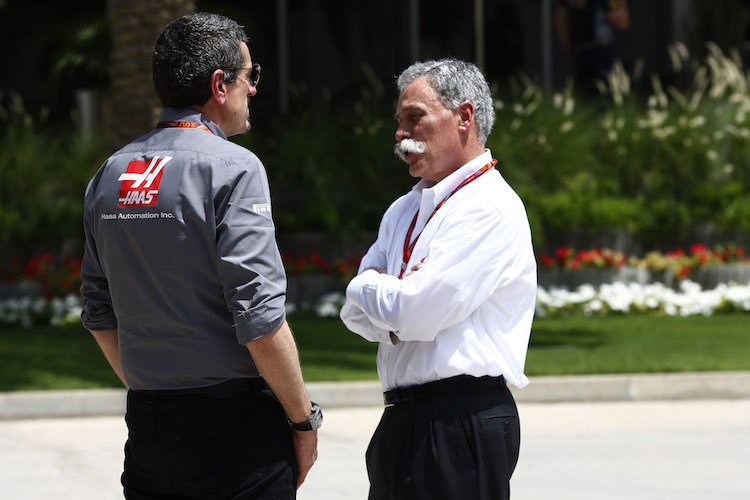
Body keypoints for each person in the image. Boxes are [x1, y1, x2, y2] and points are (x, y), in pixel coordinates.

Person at [80, 12, 320, 499]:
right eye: (249, 75)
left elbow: (98, 310)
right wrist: (302, 419)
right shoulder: (234, 167)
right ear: (219, 84)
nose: (253, 88)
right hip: (234, 435)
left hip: (149, 428)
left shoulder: (109, 172)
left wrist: (154, 388)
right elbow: (259, 315)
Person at [339, 58, 537, 500]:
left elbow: (415, 313)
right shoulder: (403, 209)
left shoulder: (488, 206)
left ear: (464, 117)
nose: (400, 133)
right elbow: (356, 319)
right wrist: (388, 302)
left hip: (458, 420)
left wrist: (362, 286)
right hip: (401, 420)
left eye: (415, 118)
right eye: (400, 120)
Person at [555, 0, 630, 94]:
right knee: (601, 96)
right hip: (600, 52)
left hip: (580, 52)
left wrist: (569, 48)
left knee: (584, 96)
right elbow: (622, 22)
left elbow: (561, 19)